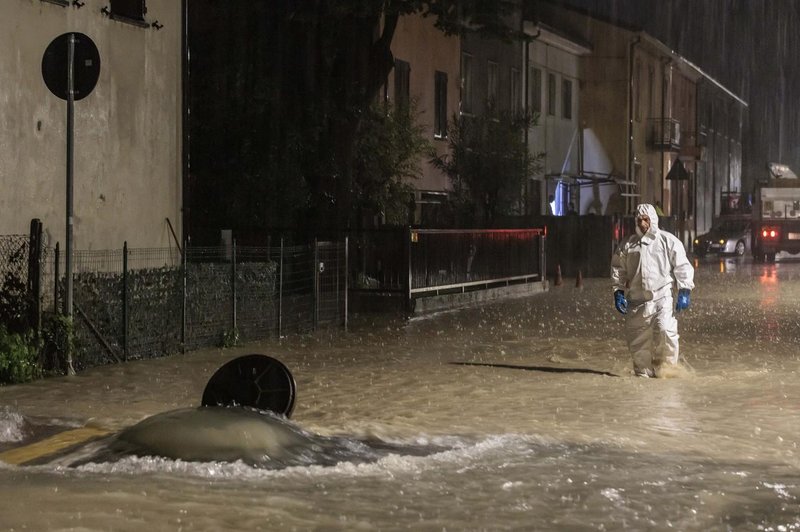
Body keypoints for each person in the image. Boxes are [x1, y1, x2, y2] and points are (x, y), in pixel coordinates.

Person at [611, 203, 694, 377]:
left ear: (653, 220)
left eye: (646, 219)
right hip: (637, 300)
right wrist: (618, 291)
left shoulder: (667, 240)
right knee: (638, 339)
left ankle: (668, 369)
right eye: (640, 219)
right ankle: (643, 374)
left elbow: (682, 265)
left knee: (665, 330)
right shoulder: (628, 244)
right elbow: (618, 268)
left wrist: (684, 289)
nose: (643, 223)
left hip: (661, 297)